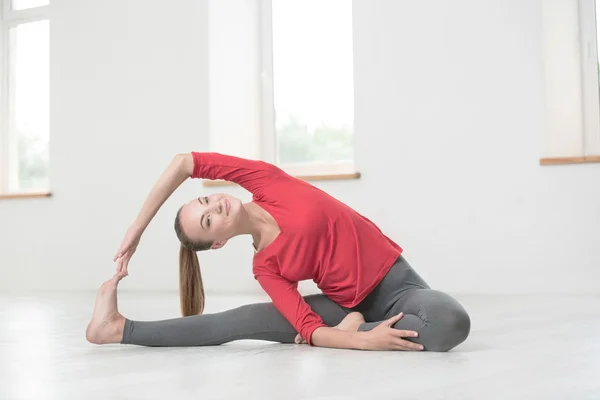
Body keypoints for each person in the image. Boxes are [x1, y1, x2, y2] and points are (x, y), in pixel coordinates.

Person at [86, 152, 470, 351]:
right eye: (206, 221)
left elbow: (184, 162)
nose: (214, 206)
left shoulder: (266, 181)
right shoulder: (266, 266)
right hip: (343, 308)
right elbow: (309, 327)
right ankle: (118, 329)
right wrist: (358, 339)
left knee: (451, 321)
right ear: (218, 243)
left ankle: (358, 330)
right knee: (238, 321)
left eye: (205, 201)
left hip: (398, 287)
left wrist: (137, 229)